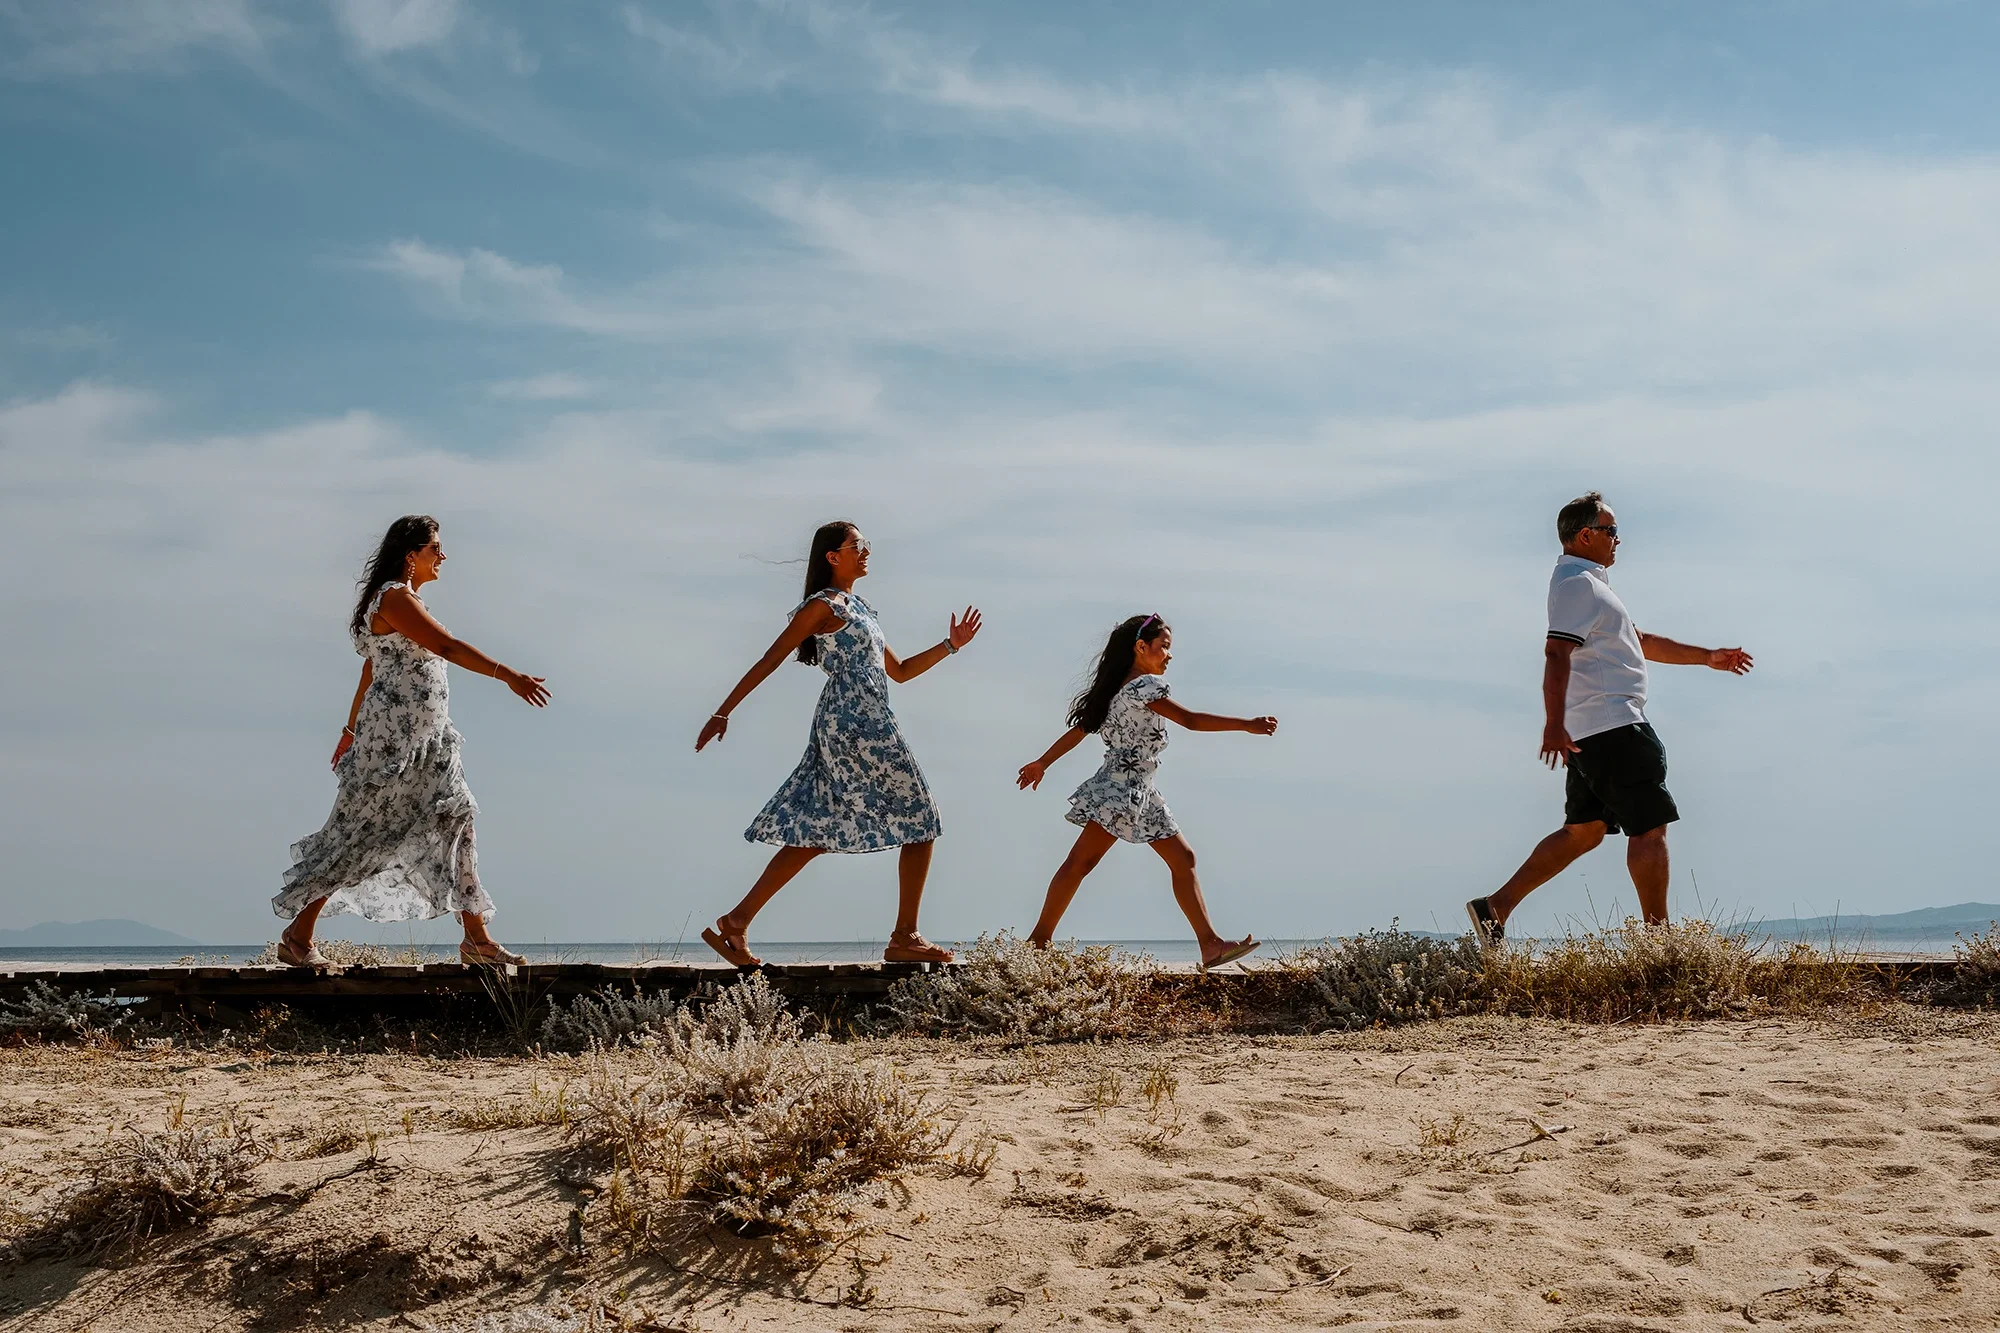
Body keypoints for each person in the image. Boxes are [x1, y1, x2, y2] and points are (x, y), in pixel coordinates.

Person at [1466, 493, 1752, 946]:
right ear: (1586, 535)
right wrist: (1552, 723)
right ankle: (1659, 945)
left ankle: (1494, 909)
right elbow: (1556, 653)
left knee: (1584, 831)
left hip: (1592, 730)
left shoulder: (1588, 585)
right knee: (1649, 828)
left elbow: (1639, 641)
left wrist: (1707, 658)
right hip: (1614, 727)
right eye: (1611, 531)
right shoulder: (1578, 585)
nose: (1619, 540)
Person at [695, 521, 980, 967]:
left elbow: (900, 671)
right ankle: (904, 937)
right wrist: (722, 711)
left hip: (867, 717)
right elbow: (770, 657)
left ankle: (736, 922)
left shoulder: (860, 608)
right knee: (922, 819)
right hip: (852, 723)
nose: (866, 551)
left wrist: (951, 645)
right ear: (833, 556)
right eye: (857, 545)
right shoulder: (821, 607)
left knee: (822, 827)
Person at [274, 515, 550, 967]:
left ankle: (476, 938)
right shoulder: (394, 598)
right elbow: (446, 647)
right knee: (363, 834)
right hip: (396, 744)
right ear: (411, 555)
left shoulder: (404, 599)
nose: (442, 556)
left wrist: (348, 731)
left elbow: (370, 671)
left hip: (430, 741)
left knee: (456, 820)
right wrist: (508, 676)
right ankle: (298, 936)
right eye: (435, 548)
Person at [1016, 614, 1272, 971]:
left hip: (1140, 789)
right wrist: (1247, 725)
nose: (1169, 655)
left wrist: (1043, 762)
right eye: (1163, 647)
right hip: (1123, 786)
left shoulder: (1116, 687)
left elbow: (1081, 730)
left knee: (1183, 860)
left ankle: (1210, 945)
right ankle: (1037, 944)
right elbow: (1191, 721)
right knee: (1080, 863)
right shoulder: (1142, 687)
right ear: (1141, 648)